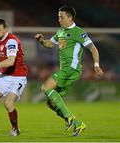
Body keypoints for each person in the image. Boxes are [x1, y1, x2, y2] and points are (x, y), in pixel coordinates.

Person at [35, 5, 103, 136]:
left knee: (45, 88)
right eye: (58, 17)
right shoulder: (60, 32)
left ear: (70, 17)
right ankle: (78, 124)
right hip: (65, 70)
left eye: (61, 17)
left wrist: (96, 65)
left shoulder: (79, 32)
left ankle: (69, 117)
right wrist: (41, 41)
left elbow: (93, 48)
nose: (59, 19)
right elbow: (50, 44)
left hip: (71, 69)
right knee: (51, 103)